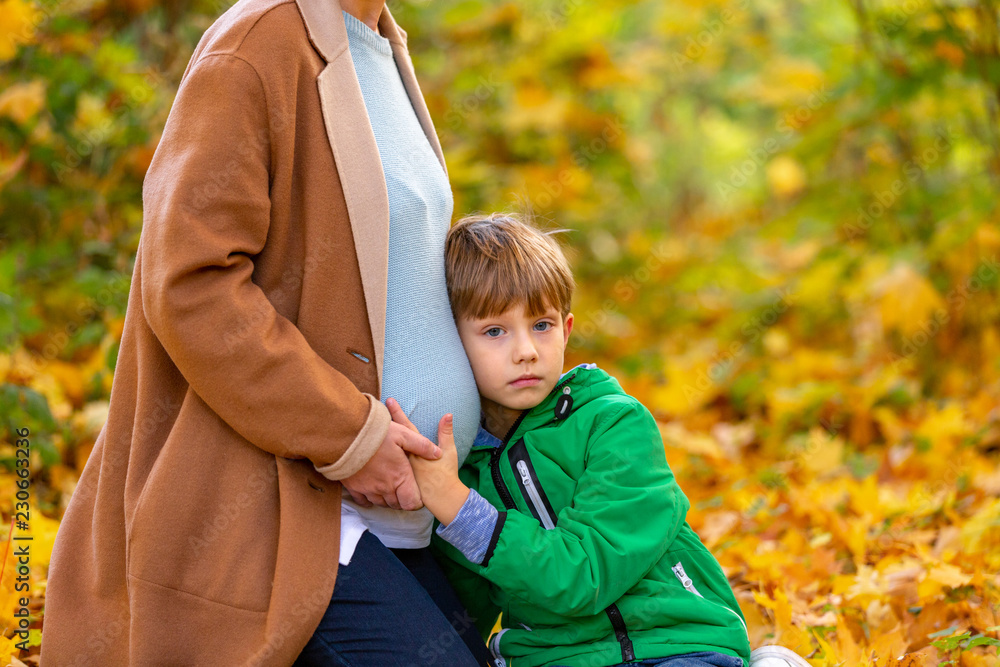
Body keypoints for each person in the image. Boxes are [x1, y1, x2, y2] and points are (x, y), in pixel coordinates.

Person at [41, 0, 489, 665]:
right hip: (283, 509)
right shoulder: (255, 45)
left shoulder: (379, 41)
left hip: (405, 512)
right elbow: (192, 285)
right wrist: (349, 436)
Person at [388, 213, 812, 667]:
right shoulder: (463, 466)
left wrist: (457, 506)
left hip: (672, 644)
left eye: (542, 325)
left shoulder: (614, 425)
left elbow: (586, 576)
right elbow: (461, 615)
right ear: (452, 345)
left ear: (566, 330)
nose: (526, 350)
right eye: (495, 331)